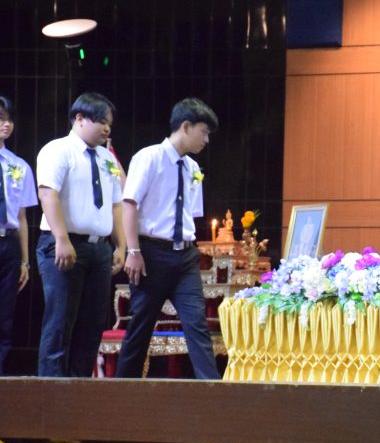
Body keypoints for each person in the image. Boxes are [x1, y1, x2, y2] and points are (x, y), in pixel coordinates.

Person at [116, 98, 220, 379]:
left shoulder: (193, 168)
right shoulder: (149, 157)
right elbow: (129, 204)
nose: (206, 140)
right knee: (141, 327)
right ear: (185, 126)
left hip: (185, 255)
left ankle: (214, 392)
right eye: (204, 132)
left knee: (197, 324)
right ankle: (122, 391)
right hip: (151, 253)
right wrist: (133, 251)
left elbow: (191, 215)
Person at [36, 92, 126, 377]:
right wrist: (61, 240)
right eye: (101, 122)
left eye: (110, 123)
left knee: (92, 324)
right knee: (60, 321)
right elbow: (47, 193)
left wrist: (121, 246)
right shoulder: (58, 149)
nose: (107, 128)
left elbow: (116, 204)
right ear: (80, 118)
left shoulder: (106, 158)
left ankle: (78, 390)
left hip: (99, 249)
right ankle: (50, 391)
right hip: (64, 243)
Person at [0, 97, 38, 374]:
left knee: (4, 315)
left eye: (9, 119)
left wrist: (25, 260)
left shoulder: (19, 166)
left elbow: (22, 217)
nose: (6, 124)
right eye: (1, 119)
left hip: (9, 243)